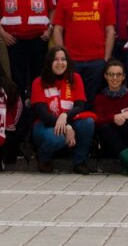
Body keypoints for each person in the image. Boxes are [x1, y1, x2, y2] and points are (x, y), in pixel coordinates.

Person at [52, 0, 116, 101]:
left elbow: (110, 30)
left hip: (97, 60)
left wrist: (106, 58)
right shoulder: (64, 0)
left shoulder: (105, 1)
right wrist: (63, 56)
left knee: (92, 99)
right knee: (72, 99)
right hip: (72, 60)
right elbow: (57, 29)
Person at [29, 46, 94, 174]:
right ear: (49, 62)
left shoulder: (75, 78)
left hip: (67, 119)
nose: (60, 63)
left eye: (63, 59)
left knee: (88, 122)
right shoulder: (38, 82)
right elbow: (42, 114)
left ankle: (79, 162)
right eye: (56, 59)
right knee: (57, 138)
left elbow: (80, 106)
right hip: (44, 125)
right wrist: (67, 127)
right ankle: (43, 157)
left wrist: (64, 117)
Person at [92, 59, 128, 176]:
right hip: (109, 144)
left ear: (123, 76)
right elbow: (98, 121)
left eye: (118, 75)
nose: (114, 78)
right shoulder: (100, 98)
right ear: (105, 76)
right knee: (104, 127)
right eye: (111, 74)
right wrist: (113, 118)